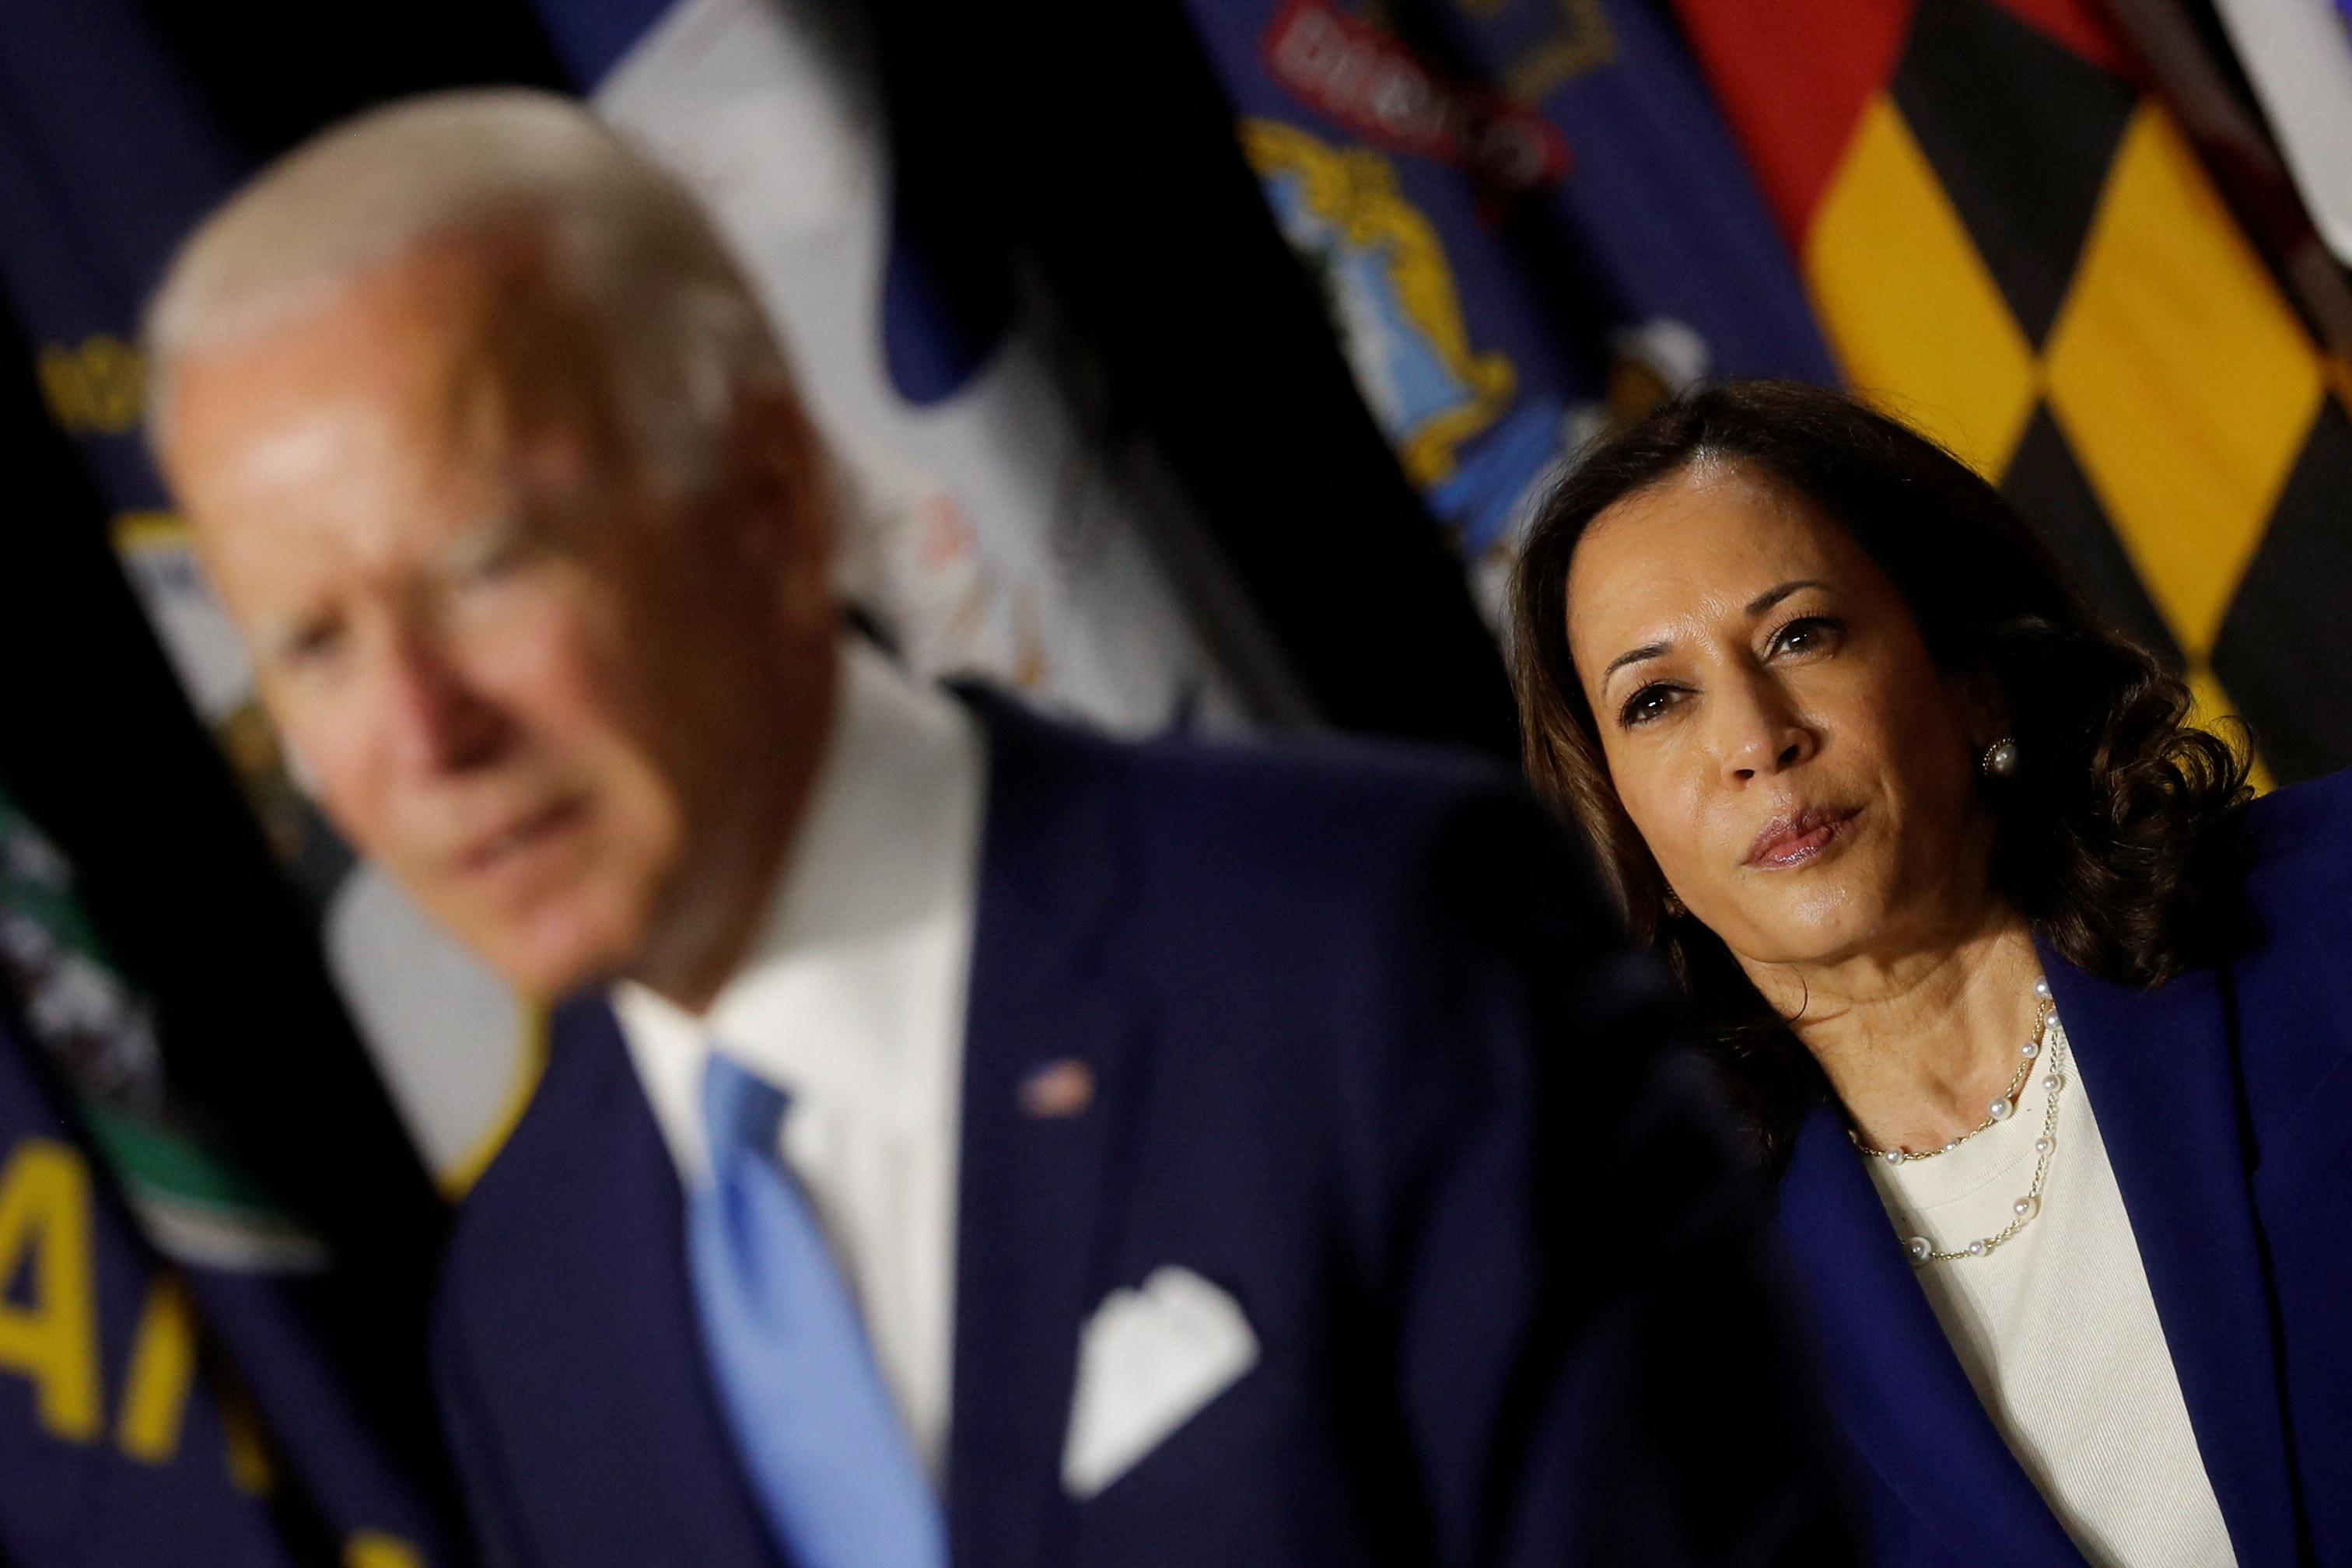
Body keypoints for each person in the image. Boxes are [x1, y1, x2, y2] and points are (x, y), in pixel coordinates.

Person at [142, 92, 1850, 1568]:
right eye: (316, 645)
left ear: (766, 499)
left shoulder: (1363, 945)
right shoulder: (527, 1313)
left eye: (485, 568)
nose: (421, 735)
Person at [1509, 376, 2351, 1567]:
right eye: (1657, 701)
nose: (1754, 740)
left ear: (1970, 676)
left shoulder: (2324, 908)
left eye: (1800, 635)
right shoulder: (1675, 1323)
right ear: (1618, 817)